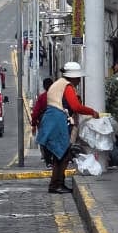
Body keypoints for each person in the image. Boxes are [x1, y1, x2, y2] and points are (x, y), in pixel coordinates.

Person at [39, 62, 100, 193]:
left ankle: (57, 183)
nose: (79, 80)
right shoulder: (67, 87)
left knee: (60, 154)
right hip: (57, 120)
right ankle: (56, 184)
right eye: (78, 78)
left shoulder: (59, 83)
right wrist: (92, 112)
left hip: (52, 119)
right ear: (72, 77)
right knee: (62, 154)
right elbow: (76, 106)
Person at [31, 77, 55, 167]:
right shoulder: (58, 96)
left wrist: (33, 124)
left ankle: (48, 160)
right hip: (55, 121)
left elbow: (36, 111)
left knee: (45, 141)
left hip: (44, 122)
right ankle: (54, 158)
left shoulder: (42, 97)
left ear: (44, 86)